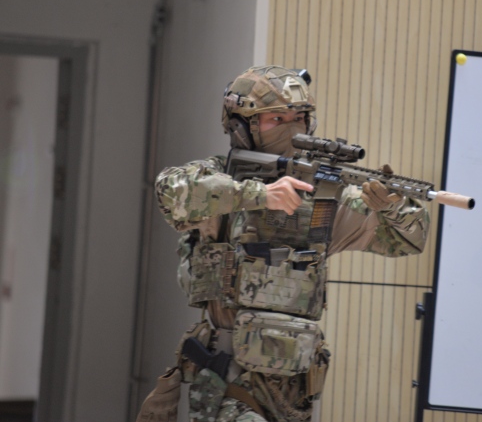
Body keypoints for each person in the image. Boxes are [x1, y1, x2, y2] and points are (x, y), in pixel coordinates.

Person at [137, 65, 429, 422]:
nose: (292, 129)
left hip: (292, 393)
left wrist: (394, 207)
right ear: (241, 127)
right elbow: (171, 192)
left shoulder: (322, 198)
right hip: (228, 379)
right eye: (277, 118)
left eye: (300, 118)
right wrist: (258, 195)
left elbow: (407, 240)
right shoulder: (222, 181)